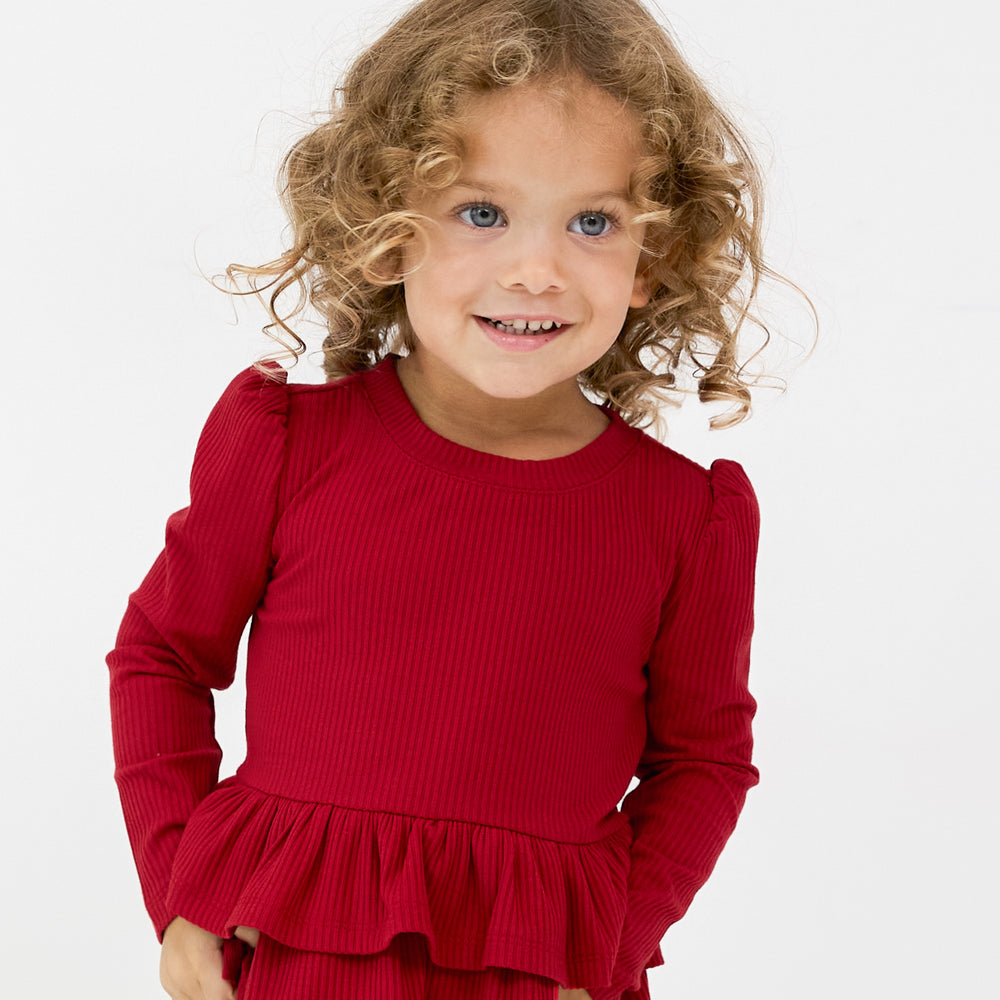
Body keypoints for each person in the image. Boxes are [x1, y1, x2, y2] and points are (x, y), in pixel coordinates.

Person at [108, 1, 798, 997]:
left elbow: (702, 760)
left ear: (653, 256)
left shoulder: (685, 518)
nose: (537, 269)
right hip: (294, 960)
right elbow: (162, 657)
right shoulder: (287, 445)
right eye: (482, 212)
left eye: (593, 221)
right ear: (386, 227)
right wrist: (179, 886)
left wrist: (606, 948)